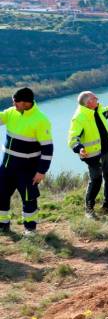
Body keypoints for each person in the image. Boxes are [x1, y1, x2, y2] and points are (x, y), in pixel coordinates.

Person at [67, 91, 108, 219]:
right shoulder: (79, 117)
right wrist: (79, 149)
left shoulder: (97, 110)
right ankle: (89, 209)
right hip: (91, 155)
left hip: (106, 151)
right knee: (96, 180)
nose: (97, 98)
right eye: (94, 97)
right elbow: (72, 138)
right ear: (88, 102)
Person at [0, 88, 53, 236]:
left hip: (27, 170)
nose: (13, 104)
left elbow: (48, 149)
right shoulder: (12, 112)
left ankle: (30, 229)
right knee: (1, 194)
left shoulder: (41, 120)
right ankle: (2, 225)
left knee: (29, 199)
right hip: (6, 167)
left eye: (15, 102)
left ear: (25, 103)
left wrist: (42, 171)